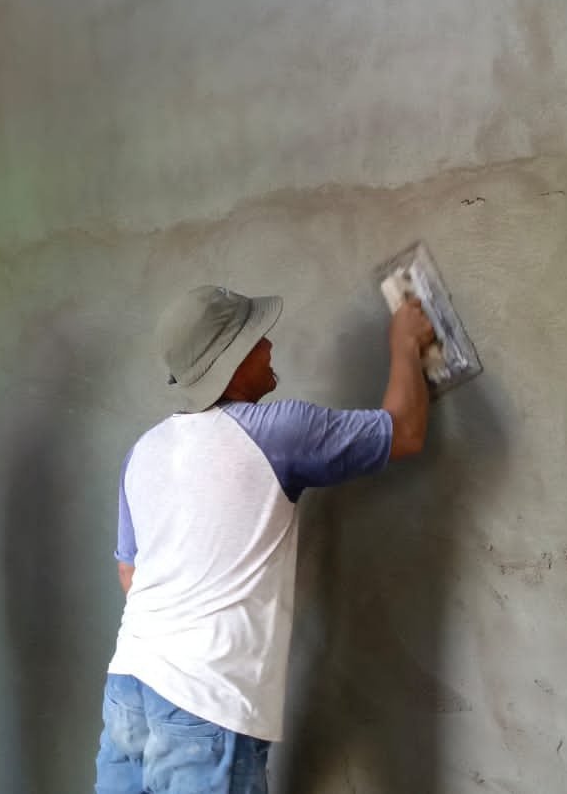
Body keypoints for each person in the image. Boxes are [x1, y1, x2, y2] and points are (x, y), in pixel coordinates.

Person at [95, 284, 436, 794]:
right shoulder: (276, 433)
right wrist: (404, 342)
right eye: (256, 339)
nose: (269, 345)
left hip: (129, 685)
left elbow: (130, 574)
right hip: (206, 704)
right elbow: (404, 430)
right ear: (230, 364)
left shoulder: (143, 451)